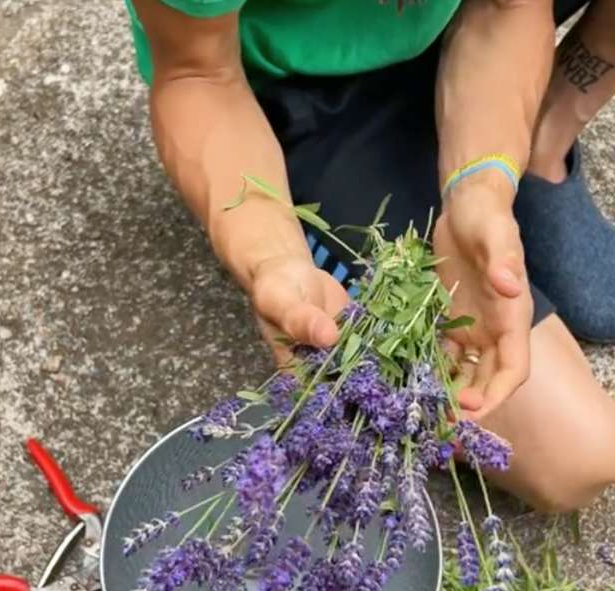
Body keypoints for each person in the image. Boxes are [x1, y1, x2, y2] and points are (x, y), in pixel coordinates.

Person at [125, 0, 615, 513]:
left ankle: (543, 137)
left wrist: (482, 183)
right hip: (308, 88)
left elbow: (507, 8)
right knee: (574, 457)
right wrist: (271, 253)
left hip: (469, 22)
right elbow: (197, 77)